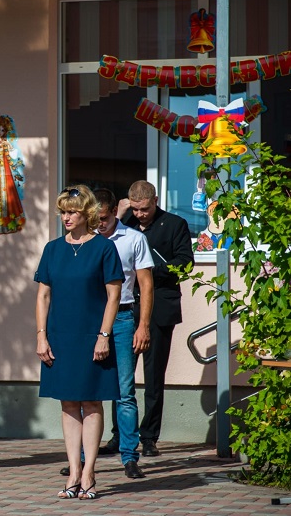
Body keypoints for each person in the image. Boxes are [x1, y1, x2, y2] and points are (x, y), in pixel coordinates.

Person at [35, 185, 122, 500]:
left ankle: (89, 473)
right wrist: (41, 335)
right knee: (68, 403)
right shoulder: (52, 249)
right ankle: (73, 472)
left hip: (92, 336)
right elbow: (43, 296)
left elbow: (114, 296)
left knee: (92, 402)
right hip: (60, 336)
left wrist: (104, 335)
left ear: (87, 214)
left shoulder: (104, 248)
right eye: (62, 211)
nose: (66, 217)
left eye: (72, 211)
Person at [117, 180, 194, 457]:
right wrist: (119, 215)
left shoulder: (174, 224)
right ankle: (119, 435)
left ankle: (149, 437)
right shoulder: (124, 223)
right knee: (121, 377)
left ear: (156, 201)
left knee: (153, 376)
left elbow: (185, 262)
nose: (140, 214)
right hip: (126, 307)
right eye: (135, 209)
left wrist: (148, 270)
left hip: (159, 306)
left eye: (145, 209)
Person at [92, 188, 154, 478]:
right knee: (88, 390)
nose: (99, 224)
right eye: (94, 219)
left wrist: (143, 325)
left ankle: (130, 457)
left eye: (103, 218)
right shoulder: (85, 240)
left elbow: (146, 285)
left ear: (114, 212)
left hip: (123, 316)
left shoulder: (134, 239)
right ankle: (83, 459)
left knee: (125, 391)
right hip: (91, 318)